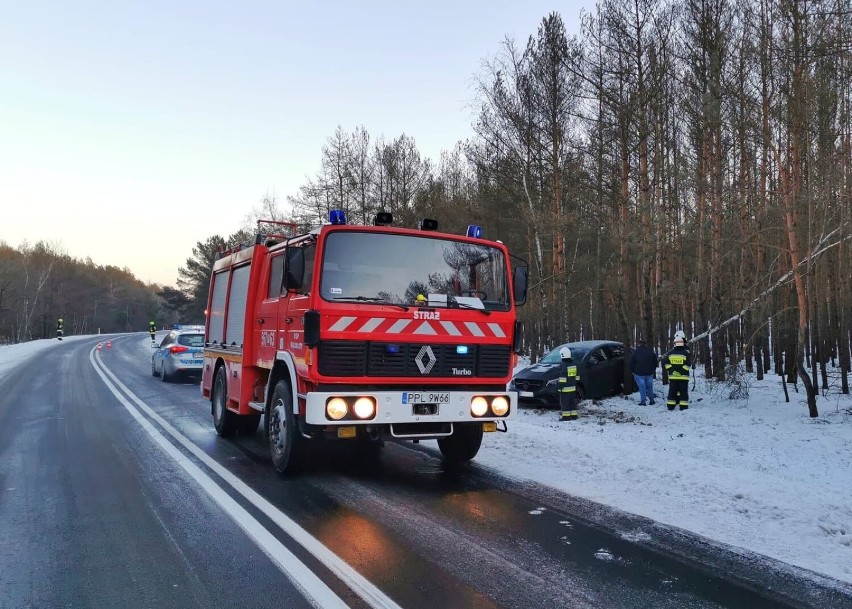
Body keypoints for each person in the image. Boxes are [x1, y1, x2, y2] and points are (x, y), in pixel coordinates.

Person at [662, 331, 691, 411]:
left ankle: (671, 406)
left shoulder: (670, 353)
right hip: (683, 376)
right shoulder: (686, 352)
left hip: (673, 376)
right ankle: (683, 407)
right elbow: (688, 364)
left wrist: (672, 371)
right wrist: (680, 372)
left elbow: (665, 362)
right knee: (683, 391)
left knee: (672, 391)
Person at [629, 337, 658, 405]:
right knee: (650, 387)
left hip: (639, 373)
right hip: (649, 373)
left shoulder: (635, 352)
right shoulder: (650, 351)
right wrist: (652, 370)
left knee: (642, 387)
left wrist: (633, 371)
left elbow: (631, 363)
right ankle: (652, 400)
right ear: (645, 344)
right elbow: (655, 362)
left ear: (639, 344)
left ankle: (643, 401)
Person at [557, 346, 580, 421]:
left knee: (564, 403)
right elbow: (577, 376)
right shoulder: (574, 363)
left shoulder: (564, 364)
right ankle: (574, 415)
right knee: (572, 402)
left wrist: (560, 386)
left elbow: (563, 377)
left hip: (565, 388)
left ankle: (566, 417)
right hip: (573, 387)